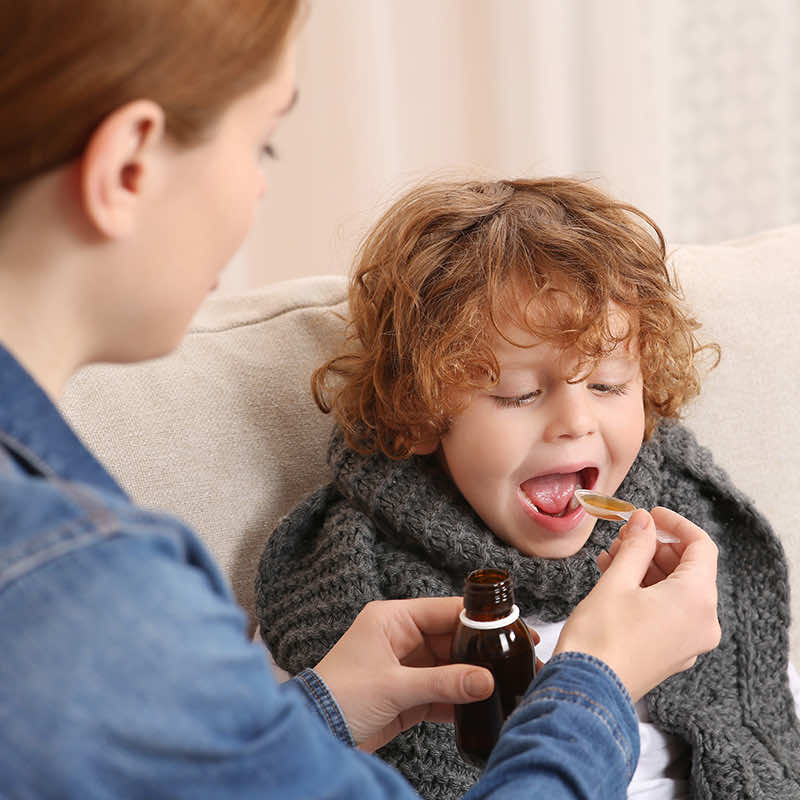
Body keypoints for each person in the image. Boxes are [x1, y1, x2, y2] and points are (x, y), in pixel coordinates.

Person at [0, 2, 721, 797]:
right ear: (129, 165)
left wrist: (318, 711)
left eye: (609, 385)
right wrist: (599, 683)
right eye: (261, 140)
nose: (259, 191)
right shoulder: (81, 583)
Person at [257, 177, 800, 799]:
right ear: (425, 412)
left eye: (607, 386)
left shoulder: (691, 538)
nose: (574, 422)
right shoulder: (337, 591)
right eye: (519, 393)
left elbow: (773, 722)